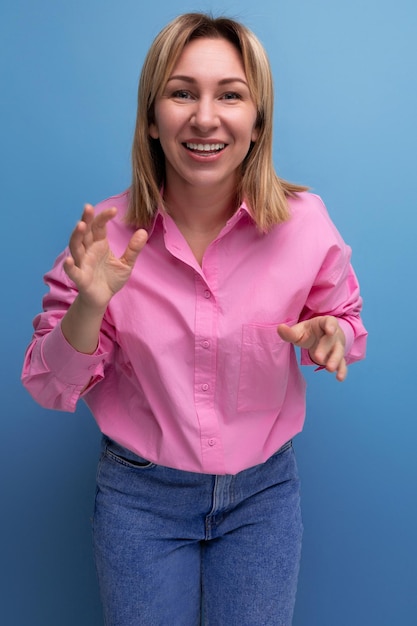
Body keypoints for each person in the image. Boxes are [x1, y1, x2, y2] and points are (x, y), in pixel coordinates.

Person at [22, 12, 367, 626]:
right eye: (182, 93)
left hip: (263, 498)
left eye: (229, 95)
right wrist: (91, 304)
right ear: (152, 118)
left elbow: (341, 316)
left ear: (257, 120)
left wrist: (331, 335)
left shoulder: (305, 223)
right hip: (139, 502)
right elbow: (50, 385)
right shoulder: (105, 237)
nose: (205, 117)